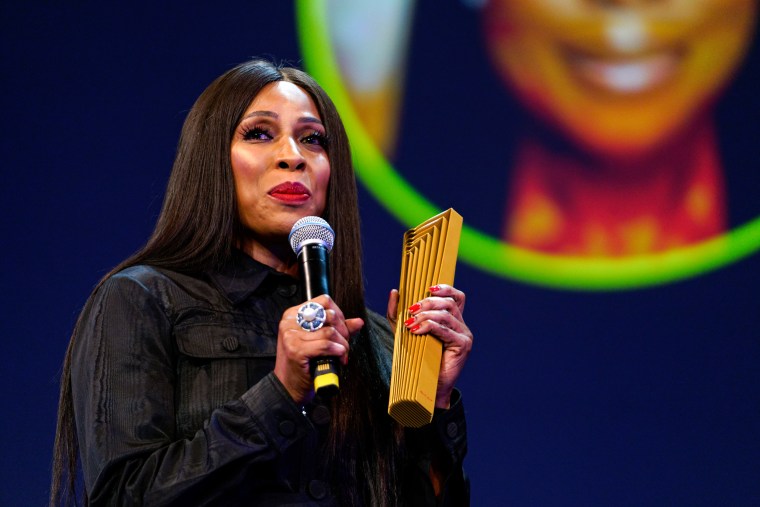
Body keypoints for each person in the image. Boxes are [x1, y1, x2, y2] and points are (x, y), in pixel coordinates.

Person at [50, 59, 473, 506]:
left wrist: (434, 398)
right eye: (259, 134)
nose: (292, 155)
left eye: (312, 139)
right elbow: (122, 497)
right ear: (212, 160)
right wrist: (281, 392)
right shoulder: (142, 299)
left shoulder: (374, 337)